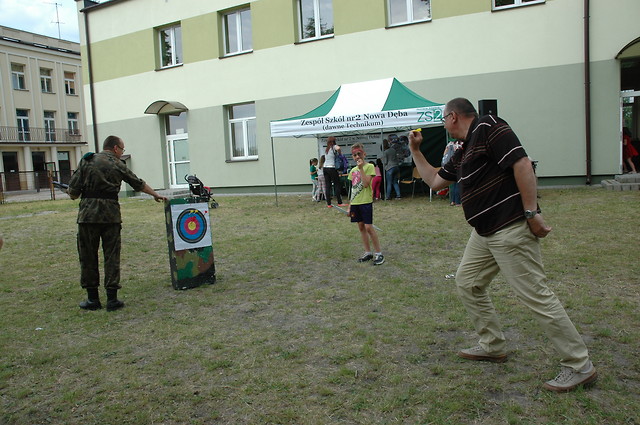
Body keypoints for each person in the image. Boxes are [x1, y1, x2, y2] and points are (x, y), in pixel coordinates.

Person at [408, 98, 597, 393]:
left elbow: (521, 163)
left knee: (535, 295)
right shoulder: (464, 150)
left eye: (444, 120)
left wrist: (532, 212)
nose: (444, 125)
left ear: (453, 116)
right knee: (468, 282)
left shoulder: (488, 125)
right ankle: (492, 345)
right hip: (484, 232)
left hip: (509, 228)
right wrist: (415, 150)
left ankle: (579, 365)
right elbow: (434, 180)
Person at [67, 135, 168, 311]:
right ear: (115, 148)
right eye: (122, 149)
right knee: (112, 256)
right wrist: (155, 194)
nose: (122, 152)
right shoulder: (118, 164)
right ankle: (112, 299)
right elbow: (138, 183)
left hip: (88, 216)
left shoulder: (87, 161)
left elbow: (73, 192)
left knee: (88, 256)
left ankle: (92, 299)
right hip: (111, 216)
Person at [347, 143, 384, 266]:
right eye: (354, 155)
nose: (357, 156)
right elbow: (353, 189)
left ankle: (379, 253)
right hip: (355, 202)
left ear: (364, 154)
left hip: (365, 202)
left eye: (359, 154)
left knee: (368, 227)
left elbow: (366, 184)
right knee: (361, 227)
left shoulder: (369, 167)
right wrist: (350, 205)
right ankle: (368, 252)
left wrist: (361, 168)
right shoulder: (352, 171)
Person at [323, 136, 345, 207]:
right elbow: (338, 148)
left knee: (328, 185)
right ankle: (339, 202)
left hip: (325, 168)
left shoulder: (327, 149)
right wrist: (340, 153)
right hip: (332, 167)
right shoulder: (334, 146)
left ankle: (329, 203)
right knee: (337, 184)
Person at [441, 140, 462, 206]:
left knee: (452, 185)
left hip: (449, 166)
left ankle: (452, 201)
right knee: (457, 184)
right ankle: (457, 202)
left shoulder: (449, 144)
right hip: (457, 166)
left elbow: (444, 154)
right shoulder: (459, 144)